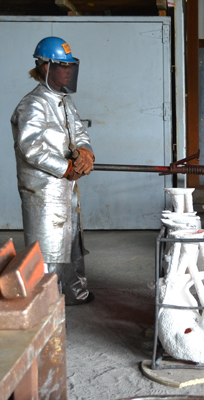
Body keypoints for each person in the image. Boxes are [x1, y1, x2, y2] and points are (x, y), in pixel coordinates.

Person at [11, 36, 95, 306]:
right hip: (44, 191)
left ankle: (74, 292)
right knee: (48, 248)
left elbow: (79, 130)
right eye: (63, 66)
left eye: (71, 66)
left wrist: (85, 151)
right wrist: (65, 167)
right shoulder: (33, 104)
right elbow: (30, 148)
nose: (69, 71)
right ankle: (45, 302)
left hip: (66, 187)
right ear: (46, 67)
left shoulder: (63, 100)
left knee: (71, 244)